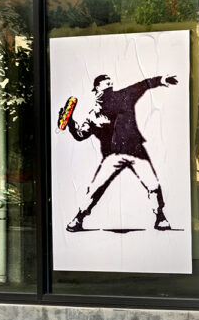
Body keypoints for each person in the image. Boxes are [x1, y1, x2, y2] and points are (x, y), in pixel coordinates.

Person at [65, 73, 179, 231]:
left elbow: (143, 84)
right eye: (106, 84)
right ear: (96, 88)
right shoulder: (93, 115)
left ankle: (160, 217)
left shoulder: (125, 95)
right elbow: (80, 135)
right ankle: (78, 219)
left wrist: (161, 80)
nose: (110, 85)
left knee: (152, 183)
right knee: (95, 187)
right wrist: (70, 122)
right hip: (113, 155)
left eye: (110, 84)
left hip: (135, 151)